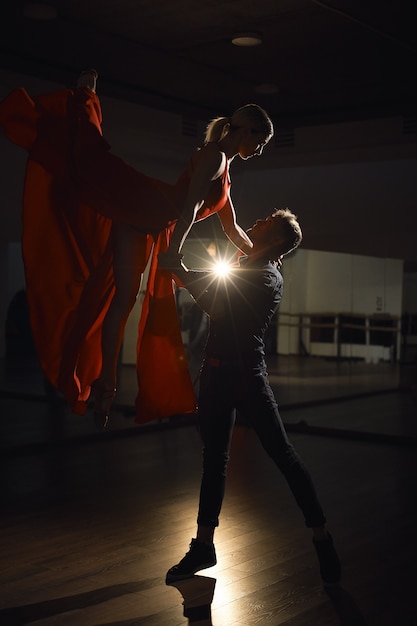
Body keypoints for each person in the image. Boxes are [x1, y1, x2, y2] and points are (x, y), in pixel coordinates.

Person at [0, 69, 273, 428]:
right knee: (92, 163)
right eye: (261, 141)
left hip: (148, 220)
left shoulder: (223, 168)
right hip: (148, 205)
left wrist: (265, 254)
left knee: (121, 300)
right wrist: (173, 253)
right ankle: (85, 97)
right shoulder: (214, 158)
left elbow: (232, 228)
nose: (260, 149)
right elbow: (189, 207)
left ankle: (105, 393)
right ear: (247, 131)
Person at [165, 209, 342, 588]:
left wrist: (181, 273)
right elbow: (228, 227)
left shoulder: (266, 276)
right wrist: (216, 186)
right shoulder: (252, 259)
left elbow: (217, 304)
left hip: (246, 377)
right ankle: (204, 545)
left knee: (284, 455)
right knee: (214, 460)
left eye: (265, 223)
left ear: (275, 240)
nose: (257, 222)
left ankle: (321, 536)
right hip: (214, 374)